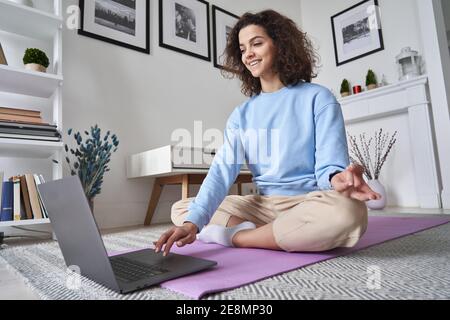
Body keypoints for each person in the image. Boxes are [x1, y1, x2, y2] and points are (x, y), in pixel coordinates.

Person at [154, 10, 381, 256]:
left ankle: (238, 237)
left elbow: (330, 166)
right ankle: (278, 232)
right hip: (262, 206)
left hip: (308, 201)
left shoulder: (319, 98)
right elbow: (221, 171)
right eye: (242, 49)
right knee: (183, 209)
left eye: (257, 43)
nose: (248, 54)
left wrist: (340, 179)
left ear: (280, 45)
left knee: (349, 212)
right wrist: (192, 223)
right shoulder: (241, 115)